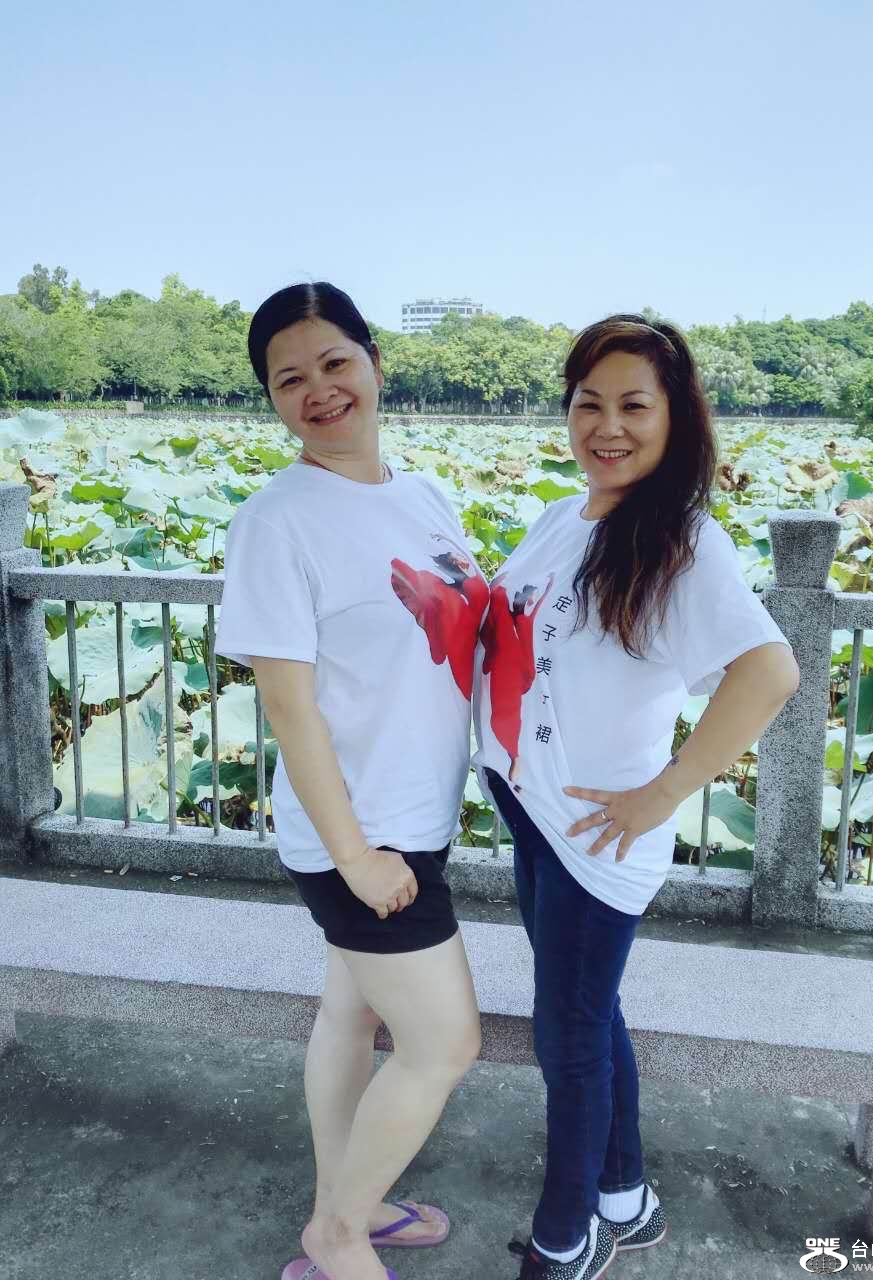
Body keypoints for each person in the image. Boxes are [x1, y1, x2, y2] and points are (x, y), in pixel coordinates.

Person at [472, 314, 800, 1280]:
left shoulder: (684, 544)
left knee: (568, 1036)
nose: (607, 427)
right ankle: (624, 1193)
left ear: (674, 418)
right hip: (535, 809)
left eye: (633, 406)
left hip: (599, 835)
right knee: (589, 1009)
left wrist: (665, 793)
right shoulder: (565, 516)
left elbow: (770, 671)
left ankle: (566, 1236)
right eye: (588, 404)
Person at [213, 282, 487, 1280]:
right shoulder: (276, 521)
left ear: (377, 363)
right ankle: (335, 1234)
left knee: (351, 1013)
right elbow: (290, 709)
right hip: (358, 832)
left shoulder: (421, 495)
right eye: (290, 379)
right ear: (272, 400)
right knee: (445, 1042)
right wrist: (356, 855)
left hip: (414, 812)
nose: (319, 389)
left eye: (335, 362)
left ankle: (350, 1208)